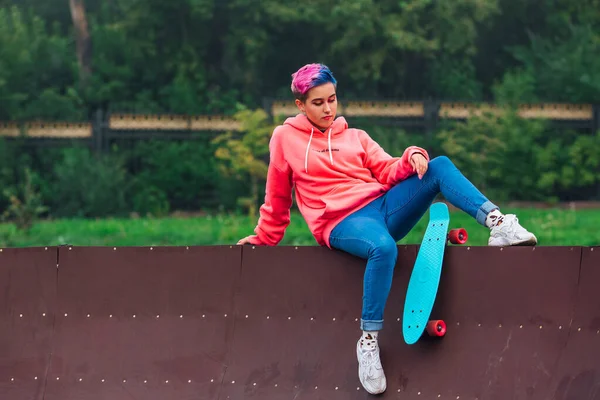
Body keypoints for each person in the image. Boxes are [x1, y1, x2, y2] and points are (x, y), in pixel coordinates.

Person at [237, 63, 537, 395]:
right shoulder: (284, 138)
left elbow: (387, 168)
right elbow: (278, 195)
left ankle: (498, 224)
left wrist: (411, 156)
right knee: (383, 248)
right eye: (318, 102)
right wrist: (265, 238)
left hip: (381, 208)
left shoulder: (356, 137)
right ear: (300, 105)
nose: (327, 109)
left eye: (332, 100)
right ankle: (368, 342)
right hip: (340, 222)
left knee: (438, 166)